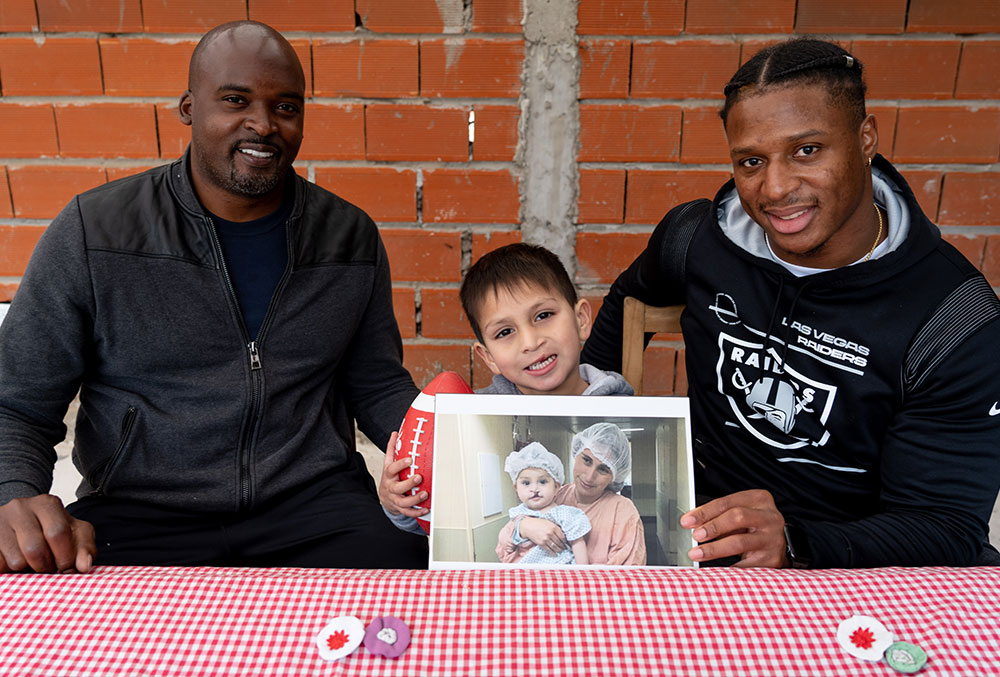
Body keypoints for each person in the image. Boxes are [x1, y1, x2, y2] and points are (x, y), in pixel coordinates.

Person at [0, 21, 428, 572]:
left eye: (286, 106)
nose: (263, 124)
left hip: (314, 504)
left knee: (420, 596)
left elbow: (376, 382)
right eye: (235, 100)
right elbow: (17, 401)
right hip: (138, 511)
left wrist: (448, 442)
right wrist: (14, 492)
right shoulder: (94, 233)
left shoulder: (349, 237)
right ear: (188, 108)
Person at [581, 38, 1000, 568]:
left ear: (865, 138)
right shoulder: (697, 239)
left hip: (849, 565)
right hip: (697, 533)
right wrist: (579, 419)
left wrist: (797, 541)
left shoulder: (955, 319)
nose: (775, 188)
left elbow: (945, 526)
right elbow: (629, 300)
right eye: (751, 161)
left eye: (807, 150)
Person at [379, 243, 633, 534]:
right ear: (488, 358)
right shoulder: (470, 421)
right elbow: (432, 523)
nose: (530, 341)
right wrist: (397, 502)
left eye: (543, 316)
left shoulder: (621, 407)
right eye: (505, 332)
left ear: (581, 320)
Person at [498, 423, 645, 565]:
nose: (589, 476)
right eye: (586, 460)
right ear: (576, 455)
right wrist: (523, 527)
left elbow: (626, 575)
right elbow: (506, 553)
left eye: (603, 469)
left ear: (614, 476)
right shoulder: (554, 495)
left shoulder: (623, 512)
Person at [496, 442, 591, 565]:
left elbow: (578, 544)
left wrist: (581, 572)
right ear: (516, 488)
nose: (534, 488)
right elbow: (508, 531)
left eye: (542, 481)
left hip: (559, 568)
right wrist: (503, 537)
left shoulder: (564, 514)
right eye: (526, 483)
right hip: (525, 570)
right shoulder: (518, 512)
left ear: (556, 487)